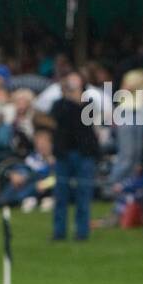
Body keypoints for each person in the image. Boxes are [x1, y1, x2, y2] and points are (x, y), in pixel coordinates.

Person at [37, 71, 99, 241]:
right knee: (61, 194)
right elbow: (55, 118)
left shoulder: (89, 103)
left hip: (84, 153)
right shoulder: (59, 104)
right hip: (64, 153)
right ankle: (59, 232)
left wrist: (76, 98)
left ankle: (82, 232)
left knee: (83, 194)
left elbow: (86, 120)